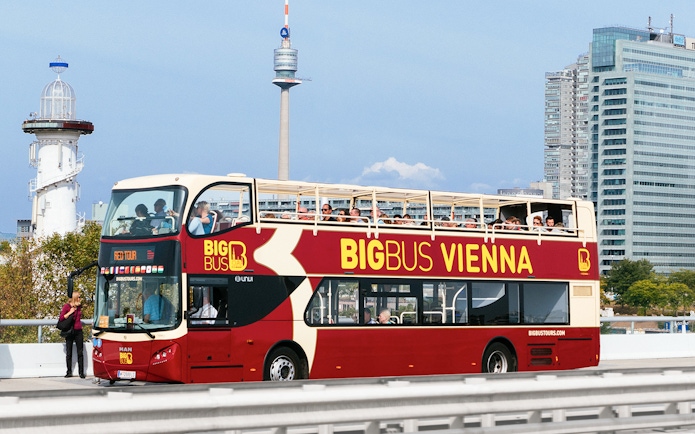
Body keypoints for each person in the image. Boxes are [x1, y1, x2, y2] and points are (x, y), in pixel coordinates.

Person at [60, 291, 85, 378]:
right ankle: (69, 371)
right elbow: (62, 318)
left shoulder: (79, 307)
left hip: (78, 330)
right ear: (74, 298)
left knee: (80, 352)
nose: (80, 299)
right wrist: (70, 312)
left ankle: (81, 372)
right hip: (70, 330)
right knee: (69, 352)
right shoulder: (67, 306)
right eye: (78, 297)